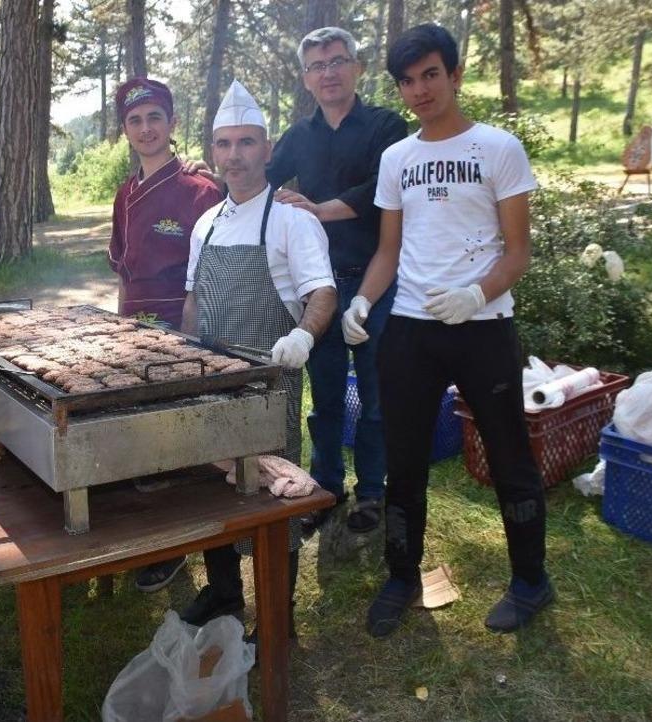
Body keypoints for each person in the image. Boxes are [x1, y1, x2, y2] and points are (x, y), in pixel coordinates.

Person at [342, 24, 553, 637]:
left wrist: (476, 293)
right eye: (407, 80)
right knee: (403, 462)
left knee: (509, 455)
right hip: (409, 329)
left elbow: (517, 253)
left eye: (431, 74)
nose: (419, 89)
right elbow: (388, 250)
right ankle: (402, 576)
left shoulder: (498, 148)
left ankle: (531, 580)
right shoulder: (397, 158)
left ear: (456, 74)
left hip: (483, 327)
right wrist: (362, 301)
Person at [178, 81, 337, 643]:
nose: (234, 155)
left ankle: (278, 616)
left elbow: (323, 291)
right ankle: (225, 596)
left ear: (268, 150)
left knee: (277, 494)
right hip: (213, 381)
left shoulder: (294, 220)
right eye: (224, 144)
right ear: (214, 151)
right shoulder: (206, 223)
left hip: (272, 384)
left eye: (246, 143)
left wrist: (303, 335)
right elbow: (195, 297)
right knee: (214, 488)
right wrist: (185, 351)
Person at [265, 27, 408, 536]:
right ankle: (325, 487)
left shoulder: (387, 127)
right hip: (319, 289)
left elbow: (385, 188)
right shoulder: (298, 137)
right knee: (323, 397)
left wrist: (320, 209)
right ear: (306, 78)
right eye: (318, 65)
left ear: (358, 68)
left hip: (376, 281)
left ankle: (372, 491)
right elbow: (262, 180)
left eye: (338, 61)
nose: (328, 73)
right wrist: (211, 173)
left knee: (375, 395)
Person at [109, 77, 224, 594]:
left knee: (180, 439)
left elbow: (210, 275)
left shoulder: (201, 190)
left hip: (180, 326)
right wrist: (117, 326)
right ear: (125, 131)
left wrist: (192, 339)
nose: (146, 128)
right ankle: (146, 536)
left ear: (172, 124)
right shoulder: (124, 194)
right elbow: (122, 271)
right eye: (135, 121)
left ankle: (178, 544)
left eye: (155, 117)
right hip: (133, 324)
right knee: (140, 438)